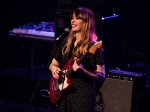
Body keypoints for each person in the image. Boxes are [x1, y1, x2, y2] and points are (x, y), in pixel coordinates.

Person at [49, 7, 105, 112]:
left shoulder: (93, 46)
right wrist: (54, 70)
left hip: (83, 97)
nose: (72, 21)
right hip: (64, 95)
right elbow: (53, 64)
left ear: (86, 22)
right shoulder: (66, 42)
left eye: (77, 18)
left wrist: (83, 71)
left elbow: (101, 75)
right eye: (72, 18)